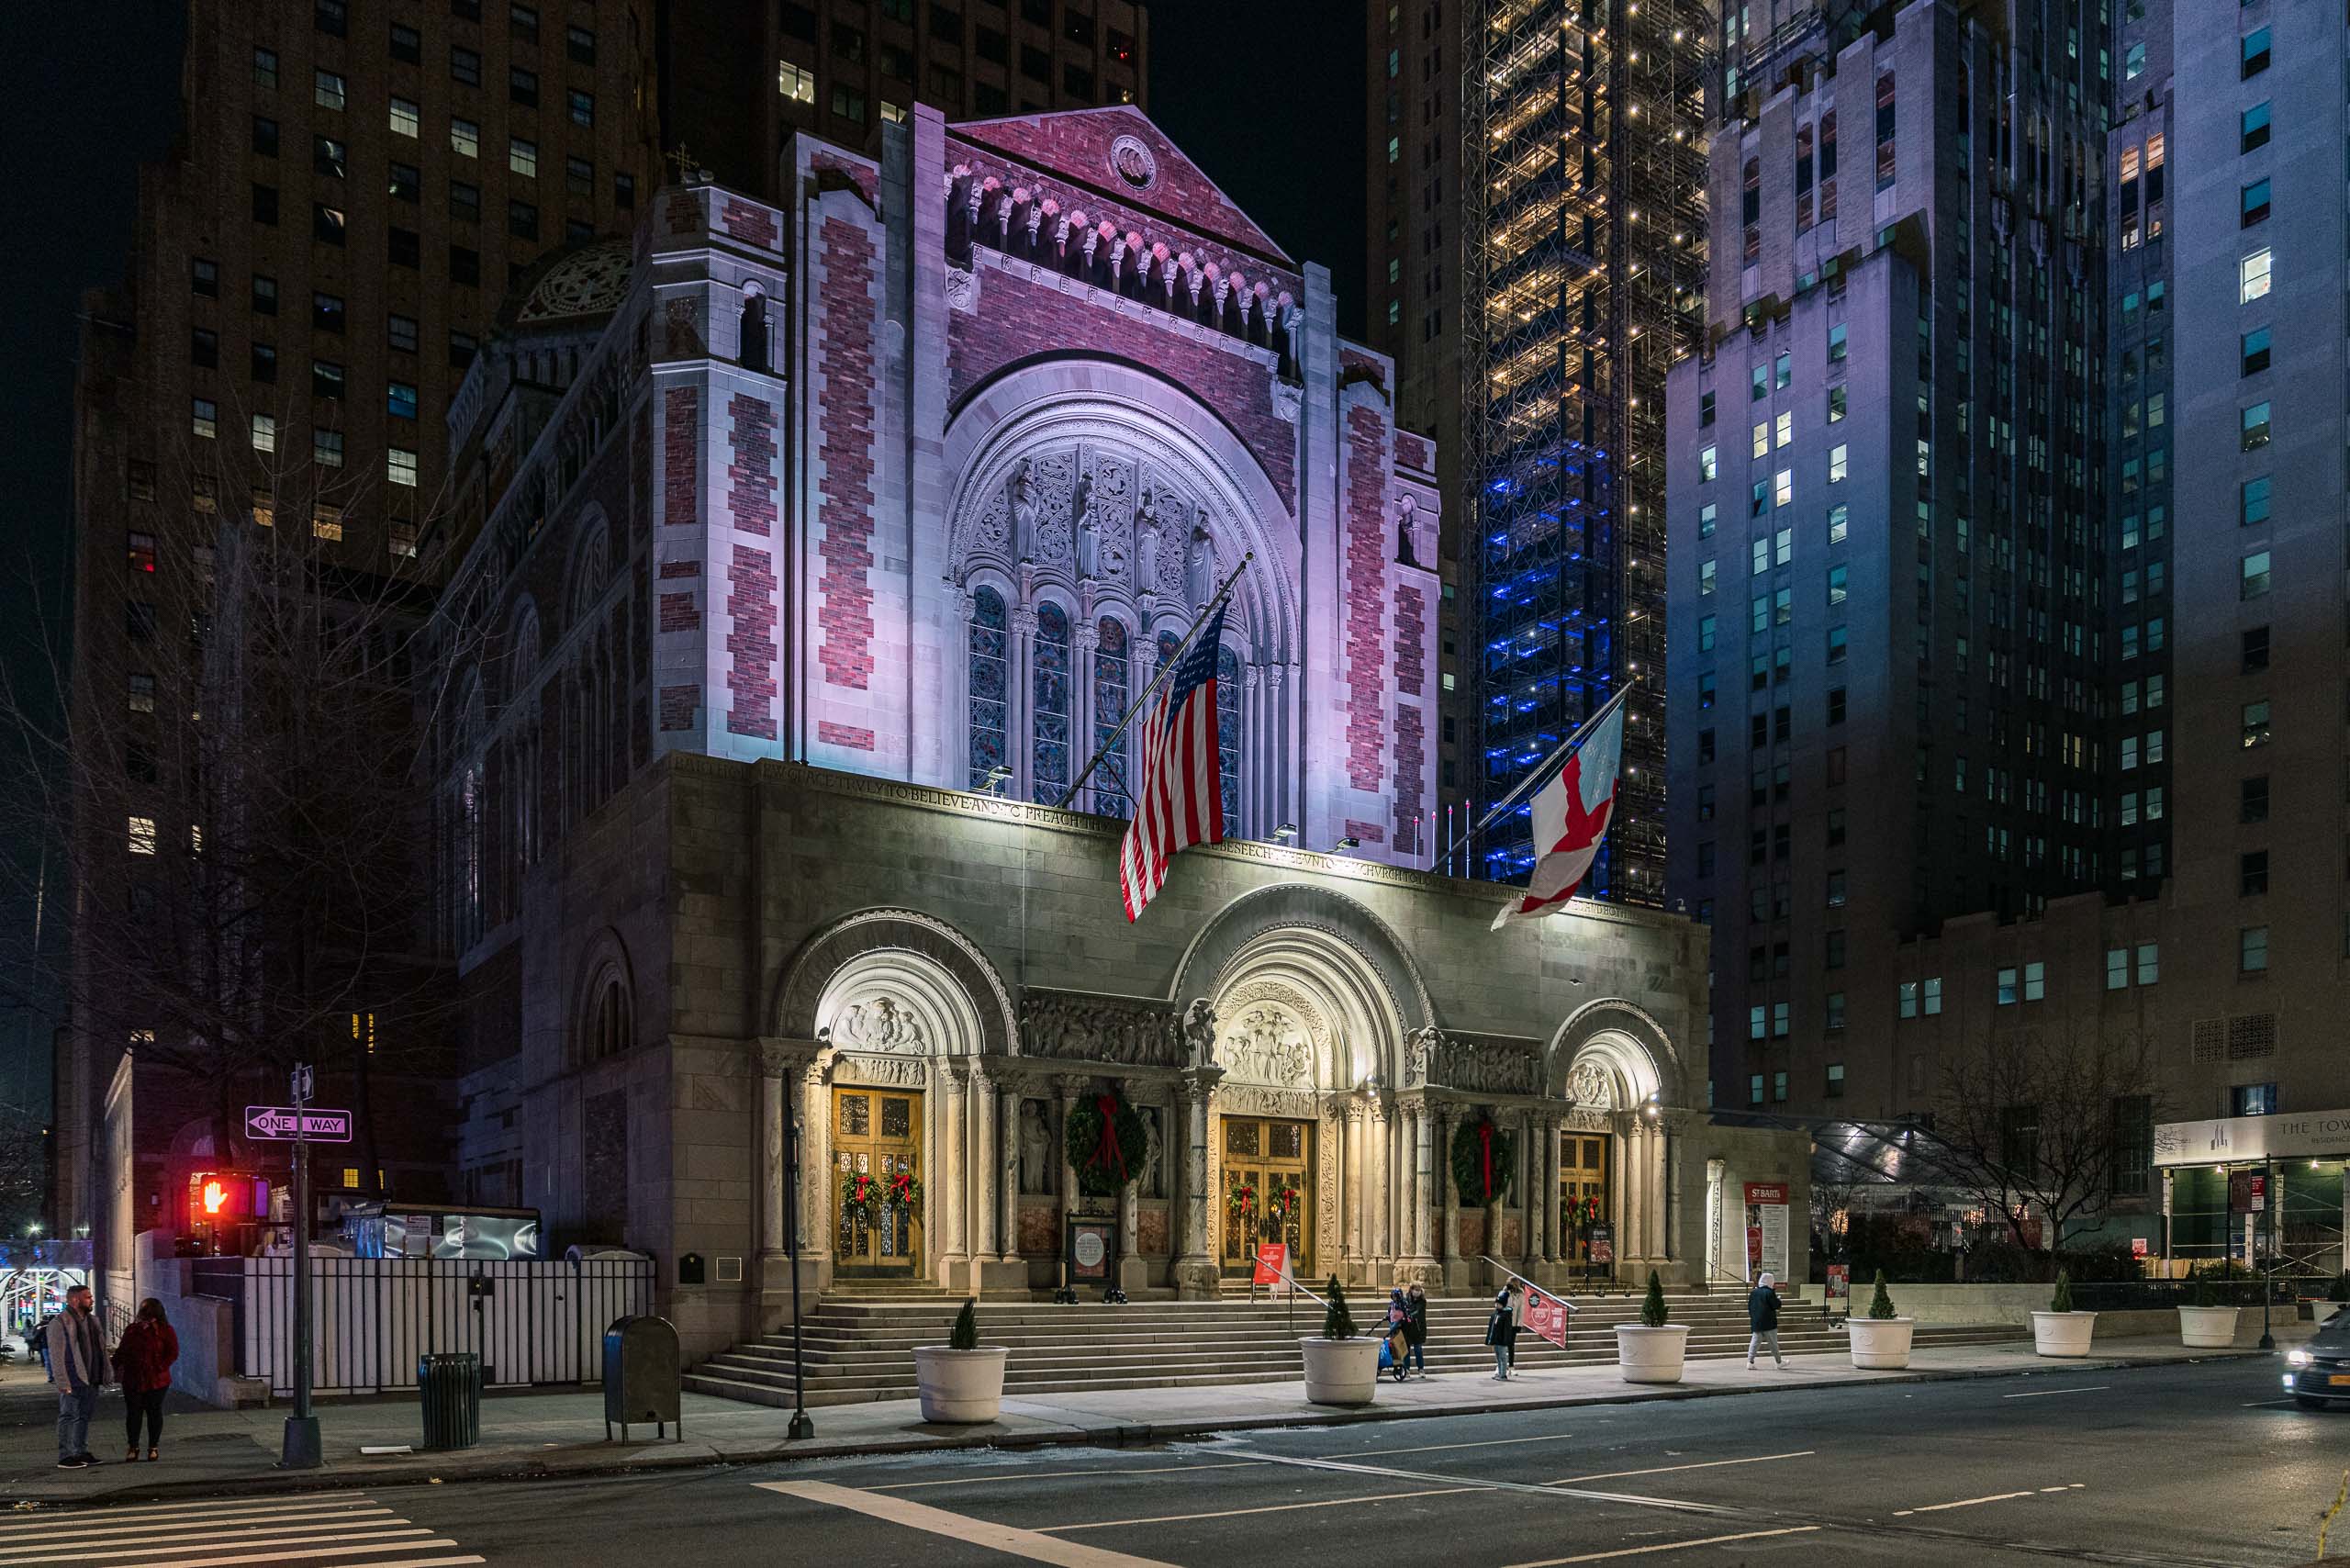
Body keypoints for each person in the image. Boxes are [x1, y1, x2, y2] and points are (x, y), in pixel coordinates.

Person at [45, 1284, 110, 1470]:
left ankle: (80, 1451)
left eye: (90, 1296)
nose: (91, 1300)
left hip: (91, 1378)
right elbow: (56, 1356)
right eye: (87, 1297)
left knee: (83, 1416)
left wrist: (105, 1371)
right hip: (73, 1378)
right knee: (68, 1415)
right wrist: (62, 1382)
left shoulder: (93, 1321)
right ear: (75, 1300)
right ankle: (65, 1456)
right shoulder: (59, 1323)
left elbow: (101, 1349)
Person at [113, 1299, 178, 1462]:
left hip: (156, 1380)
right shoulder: (132, 1330)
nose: (145, 1316)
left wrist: (160, 1367)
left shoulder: (165, 1331)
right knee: (133, 1413)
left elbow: (172, 1352)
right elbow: (122, 1351)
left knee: (154, 1412)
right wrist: (112, 1368)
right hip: (133, 1378)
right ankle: (133, 1446)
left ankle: (153, 1447)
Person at [1485, 1280, 1525, 1381]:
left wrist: (1519, 1324)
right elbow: (1500, 1304)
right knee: (1500, 1350)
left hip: (1513, 1321)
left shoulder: (1520, 1294)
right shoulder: (1504, 1292)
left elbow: (1521, 1309)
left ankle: (1510, 1367)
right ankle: (1500, 1370)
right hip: (1504, 1321)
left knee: (1510, 1345)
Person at [1747, 1271, 1786, 1369]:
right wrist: (1778, 1299)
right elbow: (1776, 1305)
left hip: (1757, 1321)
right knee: (1773, 1343)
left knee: (1755, 1342)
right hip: (1769, 1322)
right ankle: (1779, 1362)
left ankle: (1750, 1362)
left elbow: (1750, 1307)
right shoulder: (1769, 1292)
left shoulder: (1753, 1293)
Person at [1403, 1282, 1429, 1380]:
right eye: (1415, 1290)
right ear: (1411, 1290)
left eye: (1418, 1290)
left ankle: (1421, 1369)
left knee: (1418, 1349)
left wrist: (1410, 1315)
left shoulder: (1422, 1301)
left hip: (1418, 1328)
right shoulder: (1406, 1299)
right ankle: (1406, 1370)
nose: (1417, 1292)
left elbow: (1418, 1311)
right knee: (1407, 1351)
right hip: (1408, 1328)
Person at [1385, 1288, 1410, 1383]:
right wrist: (1387, 1317)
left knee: (1401, 1347)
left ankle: (1404, 1366)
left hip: (1400, 1327)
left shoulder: (1403, 1303)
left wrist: (1404, 1319)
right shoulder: (1391, 1304)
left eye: (1396, 1296)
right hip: (1393, 1325)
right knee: (1393, 1345)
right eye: (1393, 1296)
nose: (1394, 1298)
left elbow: (1407, 1314)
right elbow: (1390, 1313)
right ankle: (1395, 1362)